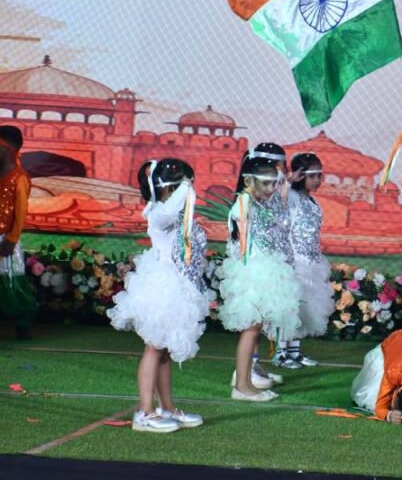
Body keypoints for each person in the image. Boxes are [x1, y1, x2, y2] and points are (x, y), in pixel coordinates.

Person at [108, 159, 211, 432]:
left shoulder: (177, 214)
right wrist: (185, 189)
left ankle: (167, 407)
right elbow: (170, 211)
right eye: (181, 186)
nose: (188, 191)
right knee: (154, 348)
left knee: (163, 350)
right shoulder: (157, 213)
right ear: (168, 188)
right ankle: (145, 413)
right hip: (162, 287)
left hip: (179, 285)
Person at [218, 151, 301, 401]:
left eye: (274, 183)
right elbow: (240, 241)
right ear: (248, 181)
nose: (271, 188)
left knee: (254, 329)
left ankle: (246, 382)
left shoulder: (259, 202)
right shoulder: (244, 203)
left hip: (263, 272)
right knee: (251, 329)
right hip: (252, 273)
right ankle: (242, 386)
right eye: (266, 183)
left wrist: (283, 181)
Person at [276, 152, 335, 368]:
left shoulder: (311, 201)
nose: (318, 180)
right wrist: (288, 182)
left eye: (320, 175)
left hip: (311, 263)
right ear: (300, 175)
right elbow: (275, 203)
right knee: (290, 308)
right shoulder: (290, 196)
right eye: (313, 176)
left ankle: (295, 352)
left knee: (304, 307)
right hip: (294, 262)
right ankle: (281, 354)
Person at [0, 126, 37, 340]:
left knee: (13, 281)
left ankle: (24, 321)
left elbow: (21, 212)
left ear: (8, 149)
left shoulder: (19, 177)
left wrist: (12, 239)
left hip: (6, 240)